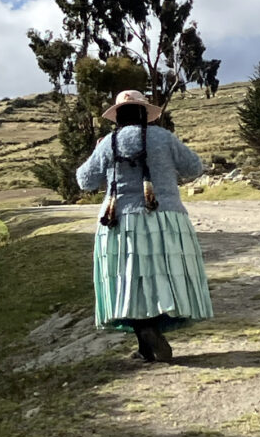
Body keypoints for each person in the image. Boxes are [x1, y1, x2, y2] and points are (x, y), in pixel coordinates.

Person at [76, 89, 213, 361]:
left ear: (117, 117)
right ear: (144, 114)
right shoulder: (163, 137)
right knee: (160, 278)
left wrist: (98, 149)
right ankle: (149, 340)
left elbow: (85, 181)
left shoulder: (108, 143)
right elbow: (194, 167)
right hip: (165, 219)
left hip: (119, 222)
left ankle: (145, 338)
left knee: (128, 280)